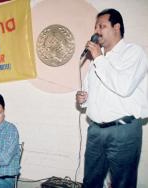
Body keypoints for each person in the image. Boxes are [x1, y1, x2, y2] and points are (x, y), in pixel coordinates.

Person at [76, 9, 148, 188]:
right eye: (95, 27)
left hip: (122, 131)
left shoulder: (133, 53)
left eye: (102, 26)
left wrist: (99, 58)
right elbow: (92, 94)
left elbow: (123, 88)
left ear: (117, 27)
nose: (96, 31)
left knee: (121, 184)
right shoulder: (97, 62)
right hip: (95, 132)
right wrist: (82, 99)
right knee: (90, 182)